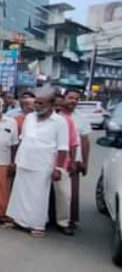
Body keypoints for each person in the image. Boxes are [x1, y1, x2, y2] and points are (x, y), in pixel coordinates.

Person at [5, 88, 68, 238]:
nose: (37, 106)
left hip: (43, 164)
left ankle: (37, 225)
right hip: (24, 160)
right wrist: (15, 161)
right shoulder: (29, 118)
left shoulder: (59, 122)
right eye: (36, 102)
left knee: (39, 196)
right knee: (19, 192)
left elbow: (63, 148)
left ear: (52, 104)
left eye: (41, 103)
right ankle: (17, 220)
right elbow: (22, 140)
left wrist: (58, 168)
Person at [52, 92, 81, 235]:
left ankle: (63, 222)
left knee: (64, 194)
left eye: (58, 103)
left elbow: (74, 143)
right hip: (41, 161)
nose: (56, 106)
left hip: (62, 162)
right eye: (54, 103)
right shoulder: (38, 118)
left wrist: (73, 161)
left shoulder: (67, 120)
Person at [63, 88, 91, 232]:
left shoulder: (81, 118)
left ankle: (70, 220)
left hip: (74, 160)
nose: (73, 101)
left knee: (71, 193)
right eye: (70, 98)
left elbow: (85, 141)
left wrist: (85, 162)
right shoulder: (56, 115)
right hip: (54, 159)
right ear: (64, 98)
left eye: (76, 99)